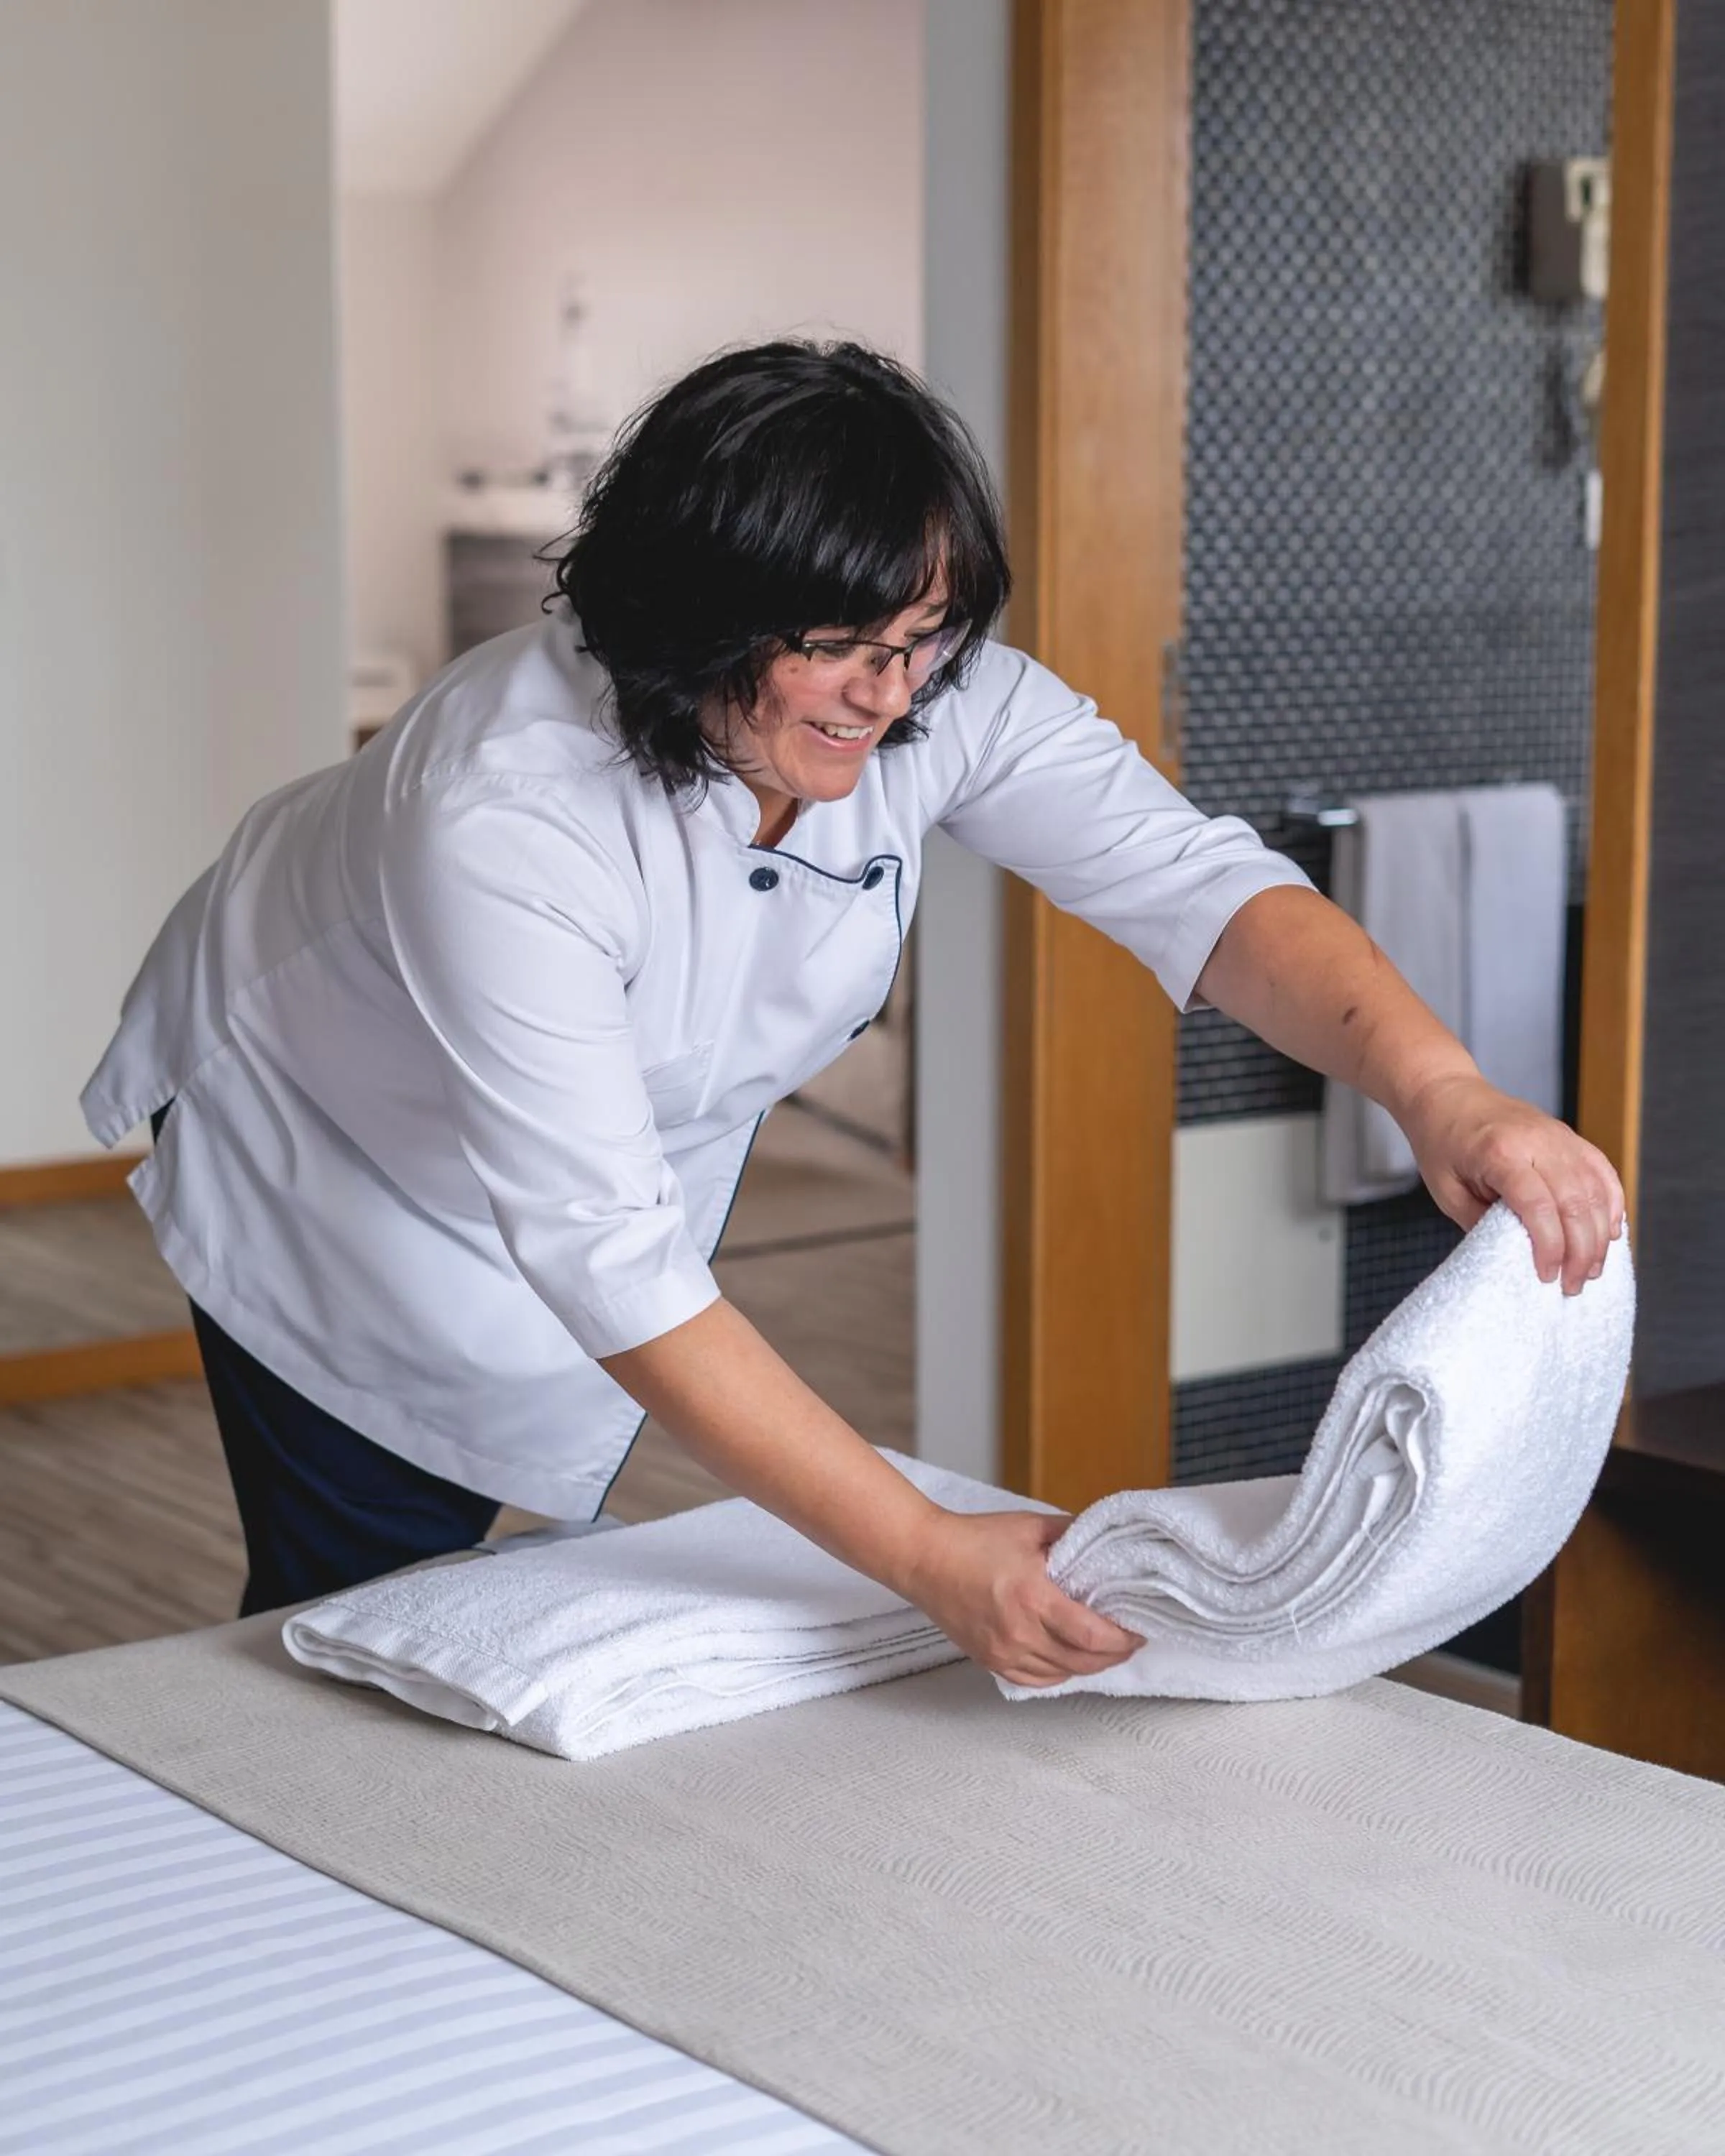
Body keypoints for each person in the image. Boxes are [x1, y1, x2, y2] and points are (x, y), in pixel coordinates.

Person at [84, 341, 1624, 1688]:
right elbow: (602, 1251)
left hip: (600, 1157)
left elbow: (1198, 888)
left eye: (918, 639)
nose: (884, 695)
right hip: (341, 1156)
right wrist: (927, 1555)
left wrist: (1444, 1090)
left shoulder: (933, 691)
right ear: (690, 605)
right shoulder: (504, 810)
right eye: (832, 645)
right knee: (358, 1621)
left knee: (529, 1592)